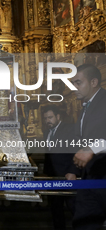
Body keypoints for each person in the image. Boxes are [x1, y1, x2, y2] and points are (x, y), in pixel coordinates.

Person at [71, 64, 106, 230]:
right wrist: (74, 170)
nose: (74, 87)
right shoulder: (85, 107)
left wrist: (92, 149)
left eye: (78, 82)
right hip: (89, 179)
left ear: (93, 82)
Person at [42, 105, 80, 230]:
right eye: (46, 118)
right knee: (56, 211)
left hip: (67, 176)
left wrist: (72, 171)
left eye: (50, 117)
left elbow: (76, 151)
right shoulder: (47, 131)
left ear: (58, 116)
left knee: (75, 209)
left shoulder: (69, 129)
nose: (48, 120)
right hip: (53, 177)